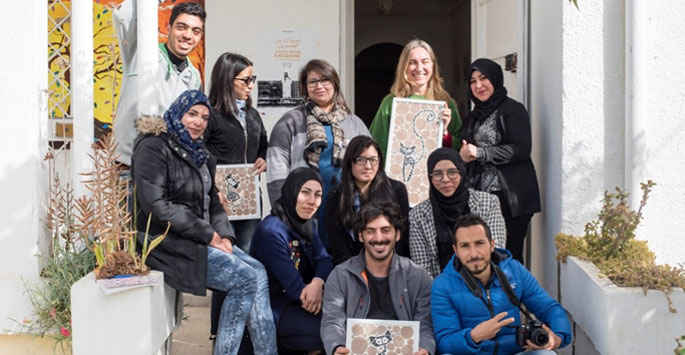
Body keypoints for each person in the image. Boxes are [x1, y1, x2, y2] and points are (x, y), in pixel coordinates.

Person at [131, 90, 277, 355]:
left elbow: (213, 202)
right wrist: (209, 235)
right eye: (192, 114)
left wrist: (226, 237)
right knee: (244, 279)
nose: (198, 122)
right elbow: (156, 205)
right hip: (164, 242)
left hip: (196, 238)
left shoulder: (199, 153)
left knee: (258, 271)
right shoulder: (154, 147)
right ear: (178, 113)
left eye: (204, 118)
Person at [431, 214, 572, 355]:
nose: (473, 253)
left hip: (513, 352)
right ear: (456, 250)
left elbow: (549, 308)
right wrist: (474, 336)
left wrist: (558, 338)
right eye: (465, 246)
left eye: (479, 243)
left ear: (492, 245)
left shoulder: (514, 270)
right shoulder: (442, 285)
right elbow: (444, 343)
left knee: (546, 354)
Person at [266, 59, 369, 247]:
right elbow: (276, 170)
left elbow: (371, 165)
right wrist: (283, 211)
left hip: (344, 204)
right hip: (306, 205)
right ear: (305, 87)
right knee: (310, 258)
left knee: (342, 255)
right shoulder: (291, 121)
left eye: (325, 80)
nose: (319, 86)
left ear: (335, 84)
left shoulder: (354, 123)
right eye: (312, 81)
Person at [203, 52, 269, 344]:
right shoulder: (211, 116)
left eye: (253, 79)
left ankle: (244, 329)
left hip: (249, 201)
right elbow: (201, 154)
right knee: (228, 262)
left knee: (248, 258)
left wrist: (262, 159)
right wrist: (212, 189)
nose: (251, 85)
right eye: (246, 79)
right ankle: (220, 330)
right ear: (228, 80)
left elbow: (262, 145)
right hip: (222, 203)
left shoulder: (252, 115)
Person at [321, 201, 434, 355]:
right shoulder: (340, 276)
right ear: (361, 236)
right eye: (370, 231)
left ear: (398, 234)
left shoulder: (419, 277)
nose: (379, 238)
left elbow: (425, 325)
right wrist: (336, 347)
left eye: (385, 230)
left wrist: (425, 349)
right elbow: (332, 322)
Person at [459, 58, 541, 263]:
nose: (478, 85)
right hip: (481, 199)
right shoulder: (473, 116)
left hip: (509, 198)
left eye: (483, 78)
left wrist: (480, 153)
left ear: (495, 78)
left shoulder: (512, 109)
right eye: (472, 81)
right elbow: (463, 150)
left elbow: (521, 149)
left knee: (508, 256)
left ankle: (512, 294)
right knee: (482, 256)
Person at [251, 167, 334, 354]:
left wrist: (317, 282)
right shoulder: (271, 232)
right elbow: (295, 288)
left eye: (318, 195)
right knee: (331, 333)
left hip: (299, 299)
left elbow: (325, 260)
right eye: (305, 192)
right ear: (291, 191)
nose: (312, 202)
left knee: (341, 323)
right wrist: (314, 292)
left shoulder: (307, 225)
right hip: (273, 309)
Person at [113, 1, 204, 167]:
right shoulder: (140, 53)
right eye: (181, 27)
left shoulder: (194, 78)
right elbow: (124, 16)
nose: (188, 35)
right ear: (169, 29)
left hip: (166, 170)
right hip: (126, 166)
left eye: (195, 31)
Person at [409, 147, 506, 279]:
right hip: (442, 292)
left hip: (485, 286)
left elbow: (496, 253)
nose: (445, 179)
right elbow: (423, 269)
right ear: (430, 177)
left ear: (462, 173)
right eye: (437, 174)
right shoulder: (418, 215)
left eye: (452, 172)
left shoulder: (488, 203)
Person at [369, 39, 462, 162]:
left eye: (425, 62)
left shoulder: (445, 103)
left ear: (433, 66)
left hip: (437, 178)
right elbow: (376, 144)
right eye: (412, 62)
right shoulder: (391, 102)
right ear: (404, 67)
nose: (419, 68)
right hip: (396, 177)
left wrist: (444, 133)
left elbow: (459, 148)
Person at [325, 135, 410, 265]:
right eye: (361, 160)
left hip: (391, 265)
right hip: (352, 267)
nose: (368, 166)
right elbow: (339, 245)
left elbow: (402, 239)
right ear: (349, 162)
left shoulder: (396, 190)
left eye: (373, 159)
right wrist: (352, 275)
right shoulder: (337, 195)